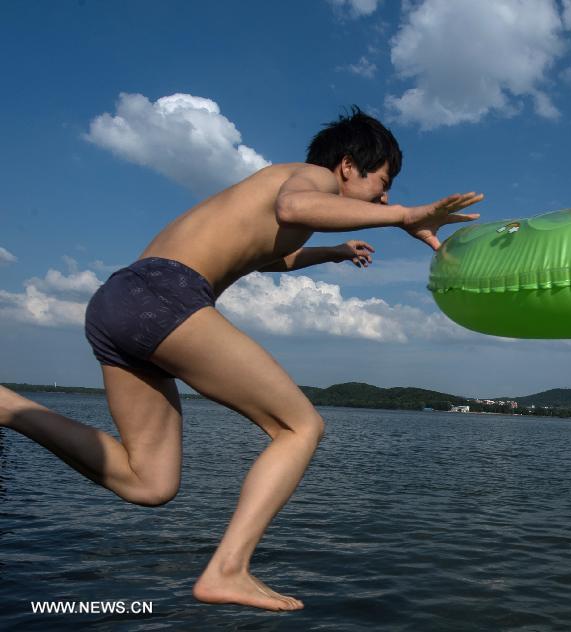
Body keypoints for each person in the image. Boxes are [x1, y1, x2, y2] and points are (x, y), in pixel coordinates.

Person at [0, 107, 483, 611]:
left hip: (120, 303)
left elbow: (270, 255)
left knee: (150, 482)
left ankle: (9, 408)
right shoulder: (312, 178)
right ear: (347, 165)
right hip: (164, 295)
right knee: (300, 427)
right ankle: (228, 569)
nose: (385, 196)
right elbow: (297, 208)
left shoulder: (276, 193)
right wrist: (403, 216)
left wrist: (334, 252)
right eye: (383, 182)